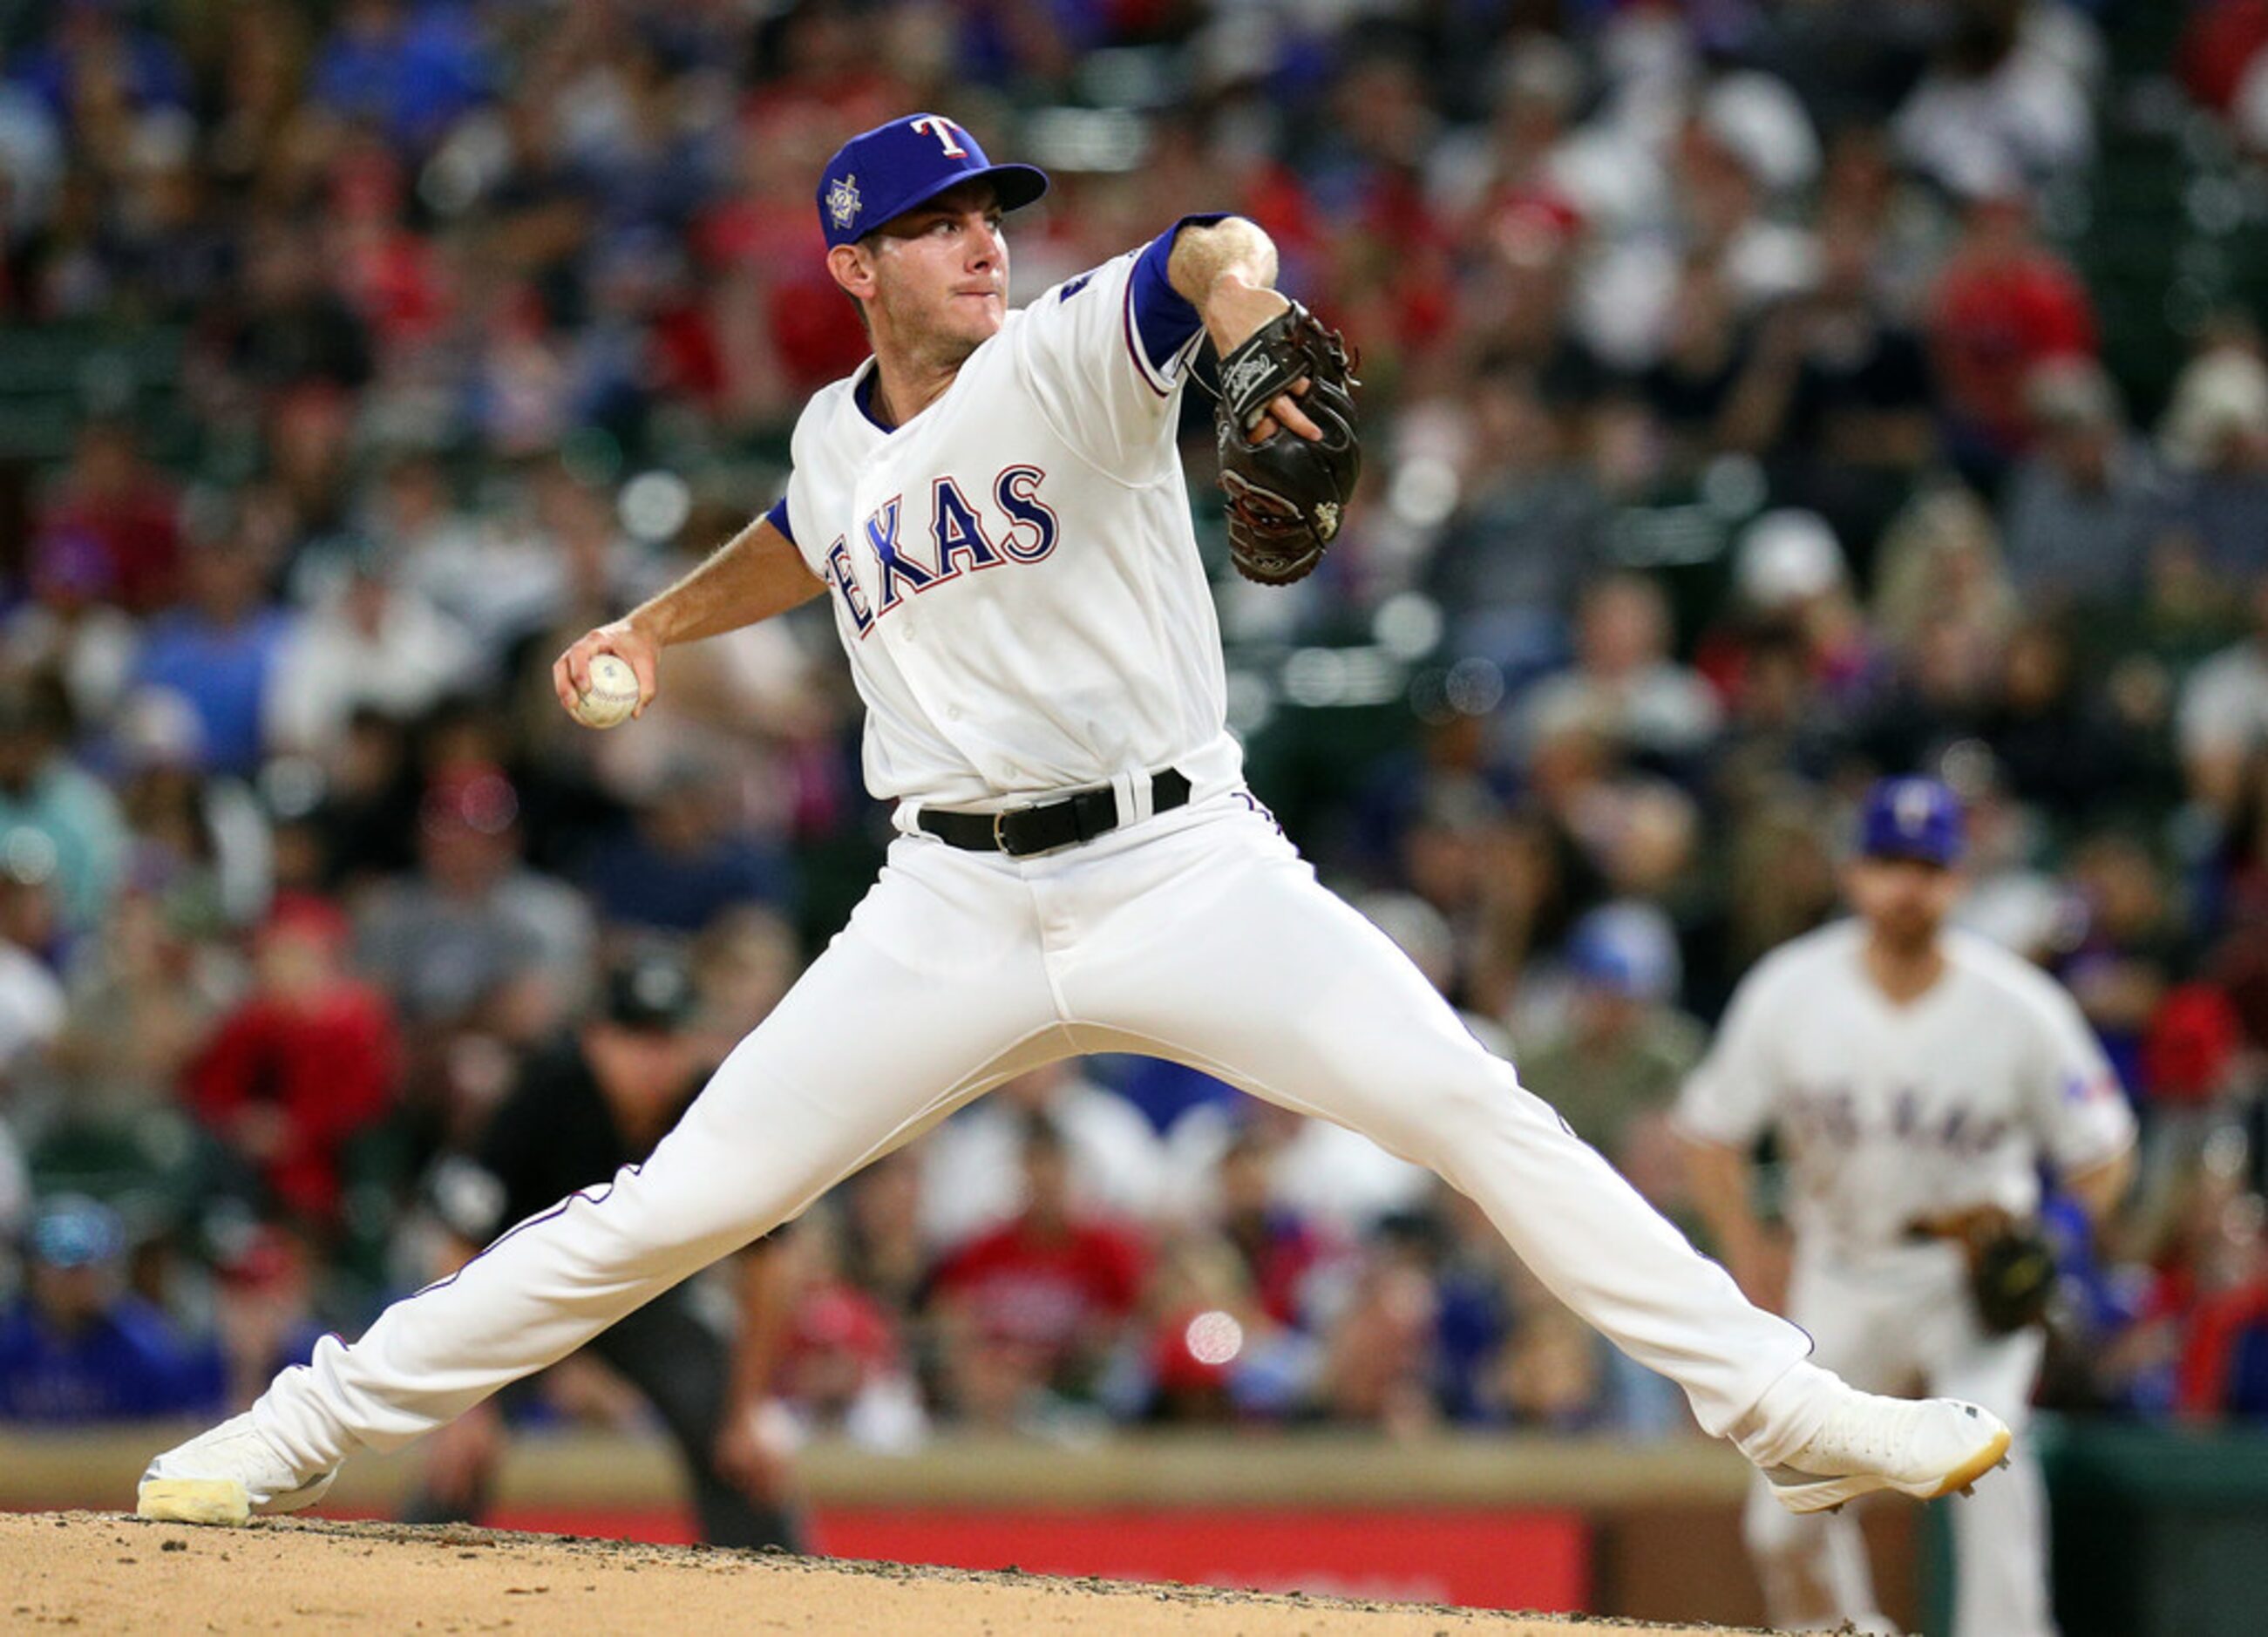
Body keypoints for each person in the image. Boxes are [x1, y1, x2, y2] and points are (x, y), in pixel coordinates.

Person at [139, 111, 2011, 1535]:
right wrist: (647, 625)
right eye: (936, 227)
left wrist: (1255, 300)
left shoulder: (1061, 355)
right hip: (942, 903)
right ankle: (294, 1433)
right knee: (674, 1209)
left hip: (1181, 867)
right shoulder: (824, 435)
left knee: (1466, 1106)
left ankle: (1778, 1403)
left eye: (988, 218)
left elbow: (1197, 251)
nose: (978, 245)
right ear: (852, 265)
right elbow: (806, 539)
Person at [1674, 778, 2138, 1637]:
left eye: (1926, 867)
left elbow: (2103, 1148)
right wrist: (1745, 1244)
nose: (1906, 886)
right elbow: (1708, 1133)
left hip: (1970, 1275)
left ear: (1957, 881)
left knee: (1993, 1472)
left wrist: (2062, 1235)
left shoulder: (2017, 1007)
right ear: (1854, 874)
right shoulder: (1790, 989)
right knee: (1782, 1519)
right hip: (1841, 1264)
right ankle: (1838, 1630)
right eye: (1889, 863)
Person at [411, 950, 801, 1548]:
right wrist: (465, 1406)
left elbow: (771, 1262)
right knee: (460, 1450)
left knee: (734, 1437)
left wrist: (748, 1410)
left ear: (698, 1042)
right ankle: (394, 1581)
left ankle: (783, 1593)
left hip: (647, 1294)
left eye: (668, 1039)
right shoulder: (543, 1092)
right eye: (633, 1038)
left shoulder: (717, 1110)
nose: (652, 1058)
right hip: (522, 1288)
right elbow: (458, 1242)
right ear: (595, 1037)